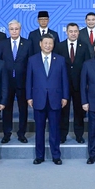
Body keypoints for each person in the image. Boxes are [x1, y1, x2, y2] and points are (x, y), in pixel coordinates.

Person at [26, 34, 69, 165]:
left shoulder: (60, 59)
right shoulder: (32, 60)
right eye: (45, 43)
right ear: (40, 44)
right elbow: (29, 80)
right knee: (39, 130)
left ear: (53, 44)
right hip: (38, 99)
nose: (48, 45)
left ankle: (56, 155)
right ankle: (39, 156)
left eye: (50, 43)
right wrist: (29, 96)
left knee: (55, 130)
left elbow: (64, 80)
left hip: (55, 99)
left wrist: (65, 96)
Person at [0, 20, 32, 143]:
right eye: (12, 29)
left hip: (23, 82)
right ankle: (7, 133)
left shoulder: (28, 43)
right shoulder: (2, 44)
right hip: (6, 82)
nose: (14, 31)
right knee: (7, 109)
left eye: (16, 29)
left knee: (23, 109)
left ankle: (22, 133)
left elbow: (31, 63)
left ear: (20, 30)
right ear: (8, 30)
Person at [55, 22, 91, 143]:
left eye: (75, 31)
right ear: (66, 32)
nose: (73, 33)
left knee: (79, 112)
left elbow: (87, 65)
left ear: (78, 32)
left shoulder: (84, 46)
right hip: (63, 85)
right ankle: (62, 135)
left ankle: (79, 135)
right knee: (63, 112)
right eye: (71, 31)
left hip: (79, 85)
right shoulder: (59, 46)